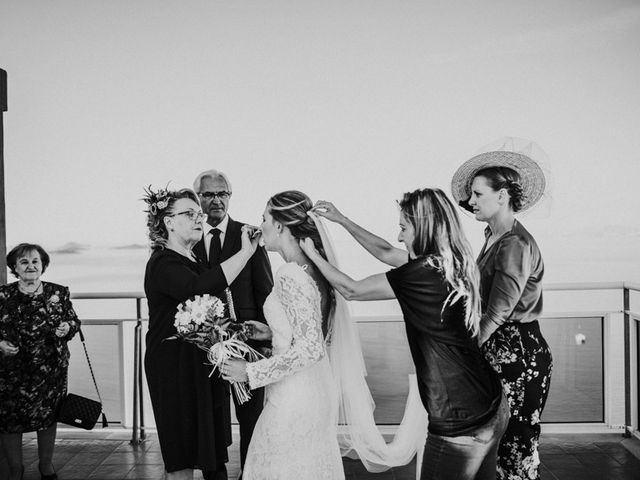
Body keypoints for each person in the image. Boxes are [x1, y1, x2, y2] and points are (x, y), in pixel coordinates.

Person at [303, 189, 509, 480]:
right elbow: (386, 252)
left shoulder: (422, 273)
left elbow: (351, 289)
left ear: (423, 227)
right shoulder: (453, 260)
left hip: (459, 421)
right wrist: (342, 220)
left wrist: (312, 254)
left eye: (403, 228)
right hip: (491, 404)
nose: (400, 237)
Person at [220, 190, 344, 480]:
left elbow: (310, 348)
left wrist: (249, 372)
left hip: (295, 395)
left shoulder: (290, 273)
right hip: (315, 388)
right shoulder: (314, 267)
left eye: (264, 218)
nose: (260, 224)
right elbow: (314, 330)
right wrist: (271, 331)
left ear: (279, 226)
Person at [142, 186, 260, 480]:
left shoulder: (196, 261)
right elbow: (199, 288)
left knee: (209, 451)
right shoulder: (163, 262)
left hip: (201, 366)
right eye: (189, 214)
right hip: (174, 369)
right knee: (182, 454)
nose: (200, 218)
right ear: (168, 222)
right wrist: (246, 252)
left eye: (199, 213)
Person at [451, 145, 553, 480]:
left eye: (478, 194)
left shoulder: (514, 244)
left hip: (517, 352)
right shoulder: (493, 236)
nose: (472, 202)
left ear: (503, 195)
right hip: (500, 349)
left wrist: (466, 351)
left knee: (515, 446)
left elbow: (497, 312)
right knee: (499, 443)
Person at [192, 170, 273, 479]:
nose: (217, 200)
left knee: (251, 419)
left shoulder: (248, 234)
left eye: (222, 193)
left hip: (247, 345)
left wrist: (264, 343)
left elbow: (265, 291)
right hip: (204, 347)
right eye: (209, 194)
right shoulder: (190, 237)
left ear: (230, 196)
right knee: (210, 420)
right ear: (198, 197)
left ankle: (250, 475)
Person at [0, 243, 81, 480]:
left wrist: (67, 327)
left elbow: (74, 322)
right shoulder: (3, 295)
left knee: (47, 418)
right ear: (14, 267)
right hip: (11, 371)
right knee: (9, 421)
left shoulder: (59, 292)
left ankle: (46, 466)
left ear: (43, 265)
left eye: (35, 261)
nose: (30, 266)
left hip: (50, 369)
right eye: (24, 262)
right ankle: (16, 469)